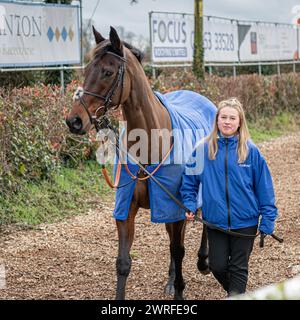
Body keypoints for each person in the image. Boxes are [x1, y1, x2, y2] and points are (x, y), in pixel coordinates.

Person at [180, 97, 278, 296]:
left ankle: (235, 295)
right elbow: (189, 182)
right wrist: (189, 204)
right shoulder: (202, 150)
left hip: (246, 222)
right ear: (216, 120)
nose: (227, 121)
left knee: (239, 268)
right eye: (223, 117)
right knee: (217, 266)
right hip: (215, 222)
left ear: (239, 122)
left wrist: (268, 219)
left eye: (232, 118)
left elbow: (265, 188)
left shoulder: (251, 151)